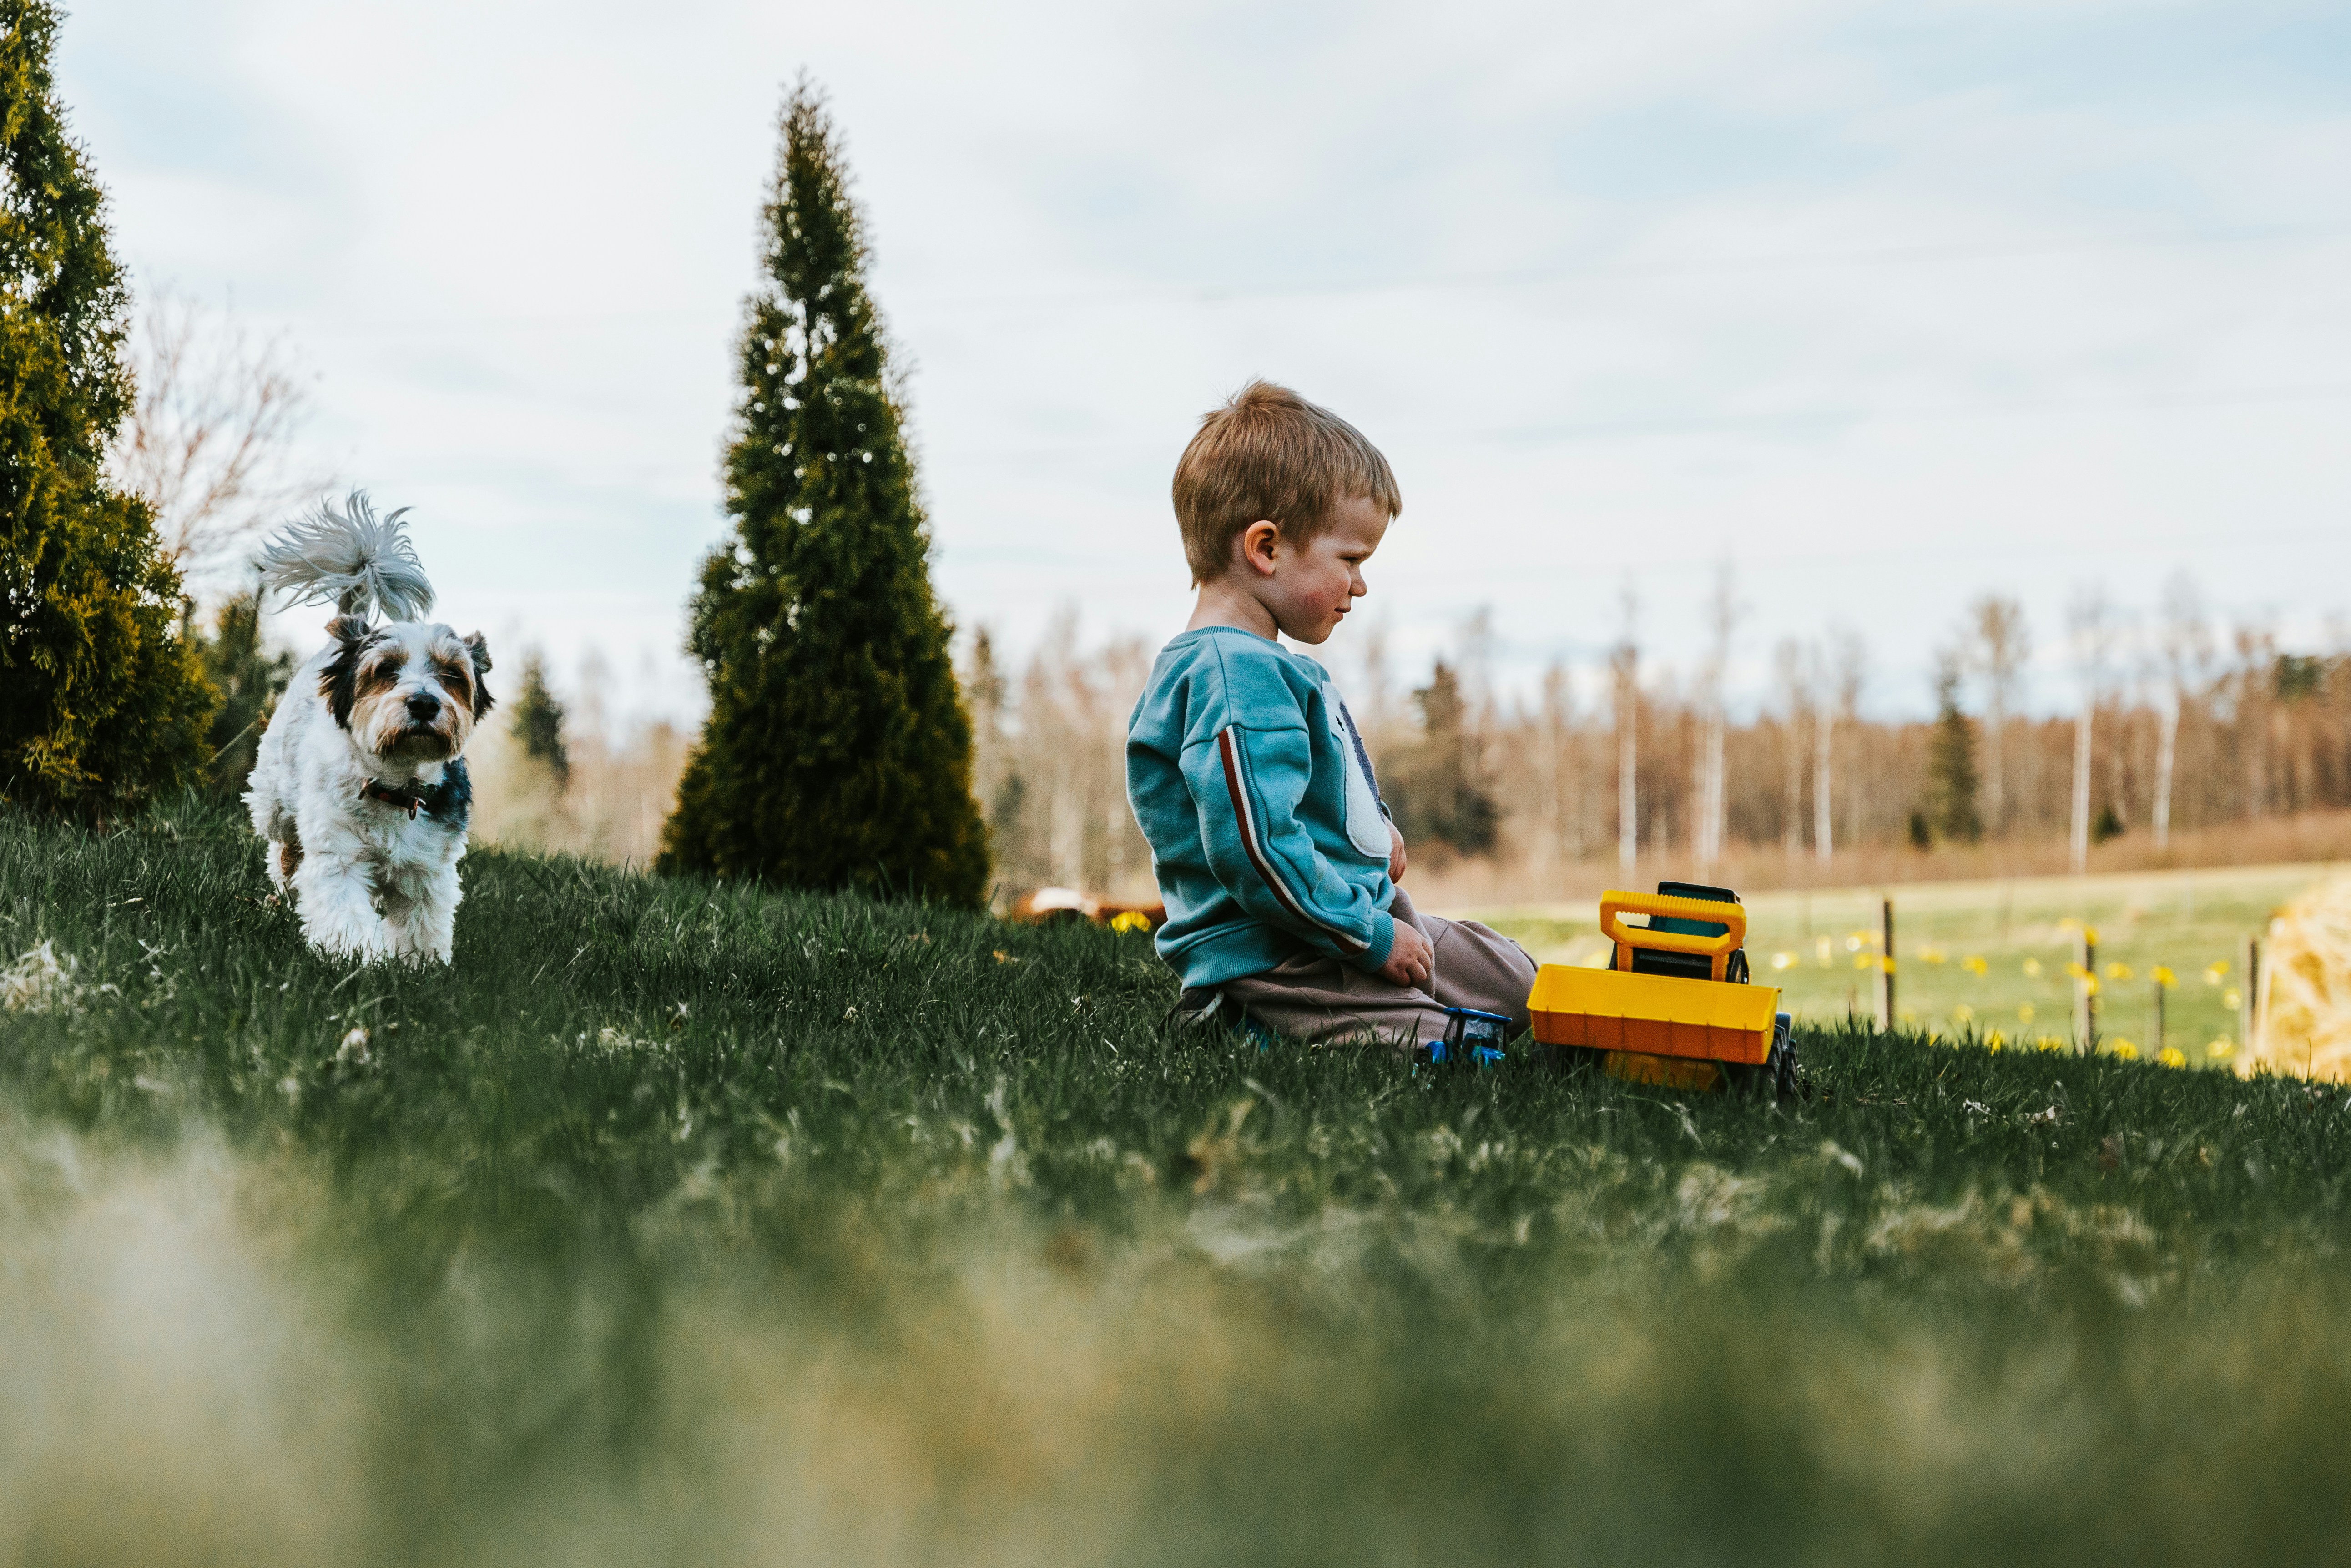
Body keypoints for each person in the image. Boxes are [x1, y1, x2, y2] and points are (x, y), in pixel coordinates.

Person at [1125, 380, 1537, 1051]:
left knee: (1517, 983)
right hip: (1281, 956)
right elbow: (1258, 851)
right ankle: (1239, 1018)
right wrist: (1374, 941)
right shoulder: (1232, 678)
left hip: (1342, 921)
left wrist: (1374, 836)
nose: (1362, 585)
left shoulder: (1265, 666)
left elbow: (1302, 797)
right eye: (1350, 559)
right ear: (1266, 548)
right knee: (1449, 1047)